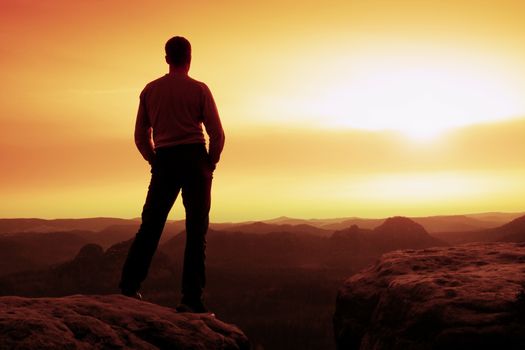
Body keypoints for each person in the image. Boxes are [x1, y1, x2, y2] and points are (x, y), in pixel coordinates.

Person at [119, 36, 225, 313]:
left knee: (151, 227)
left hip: (165, 160)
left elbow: (141, 135)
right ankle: (191, 300)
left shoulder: (150, 90)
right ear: (189, 58)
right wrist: (209, 164)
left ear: (167, 58)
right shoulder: (199, 90)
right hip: (194, 159)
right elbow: (217, 133)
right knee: (196, 231)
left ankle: (128, 288)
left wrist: (154, 159)